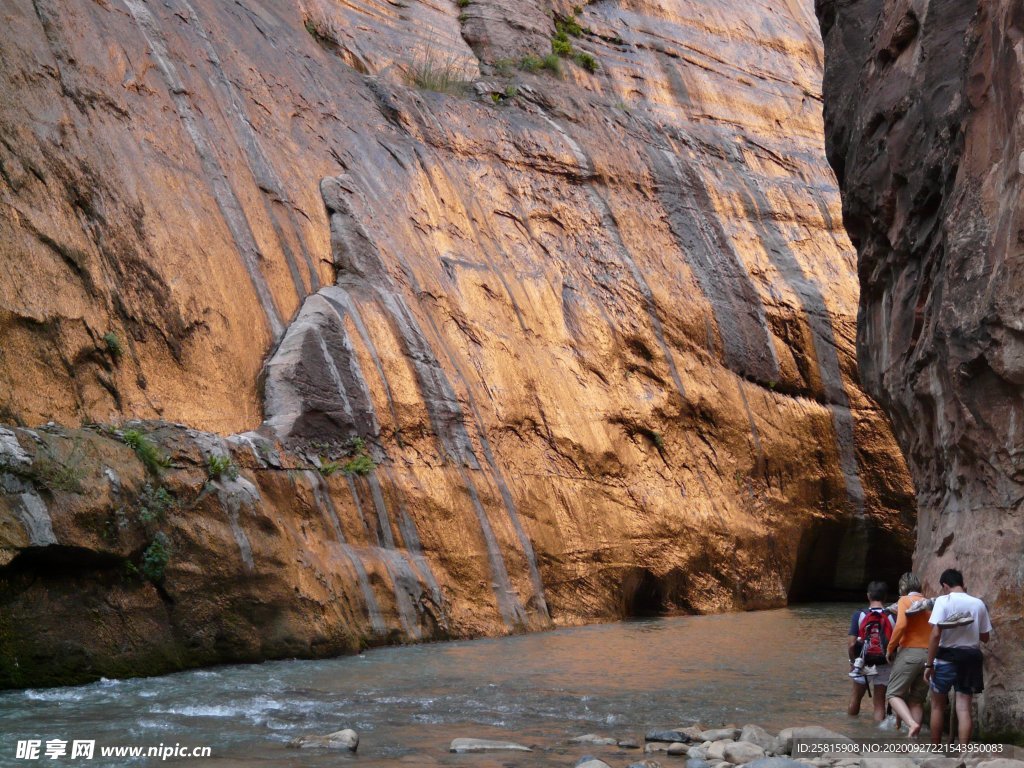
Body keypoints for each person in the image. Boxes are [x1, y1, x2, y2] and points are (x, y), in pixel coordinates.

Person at [924, 568, 992, 744]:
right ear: (962, 584)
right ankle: (963, 755)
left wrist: (928, 664)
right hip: (971, 658)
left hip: (946, 658)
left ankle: (936, 751)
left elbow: (935, 634)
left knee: (937, 706)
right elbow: (985, 637)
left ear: (945, 586)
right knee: (964, 709)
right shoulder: (978, 604)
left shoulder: (943, 601)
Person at [884, 572, 933, 737]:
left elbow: (901, 625)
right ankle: (914, 739)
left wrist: (890, 648)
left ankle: (911, 724)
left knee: (893, 693)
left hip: (911, 653)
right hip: (930, 656)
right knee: (917, 700)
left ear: (902, 588)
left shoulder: (905, 600)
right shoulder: (928, 603)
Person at [848, 581, 896, 721]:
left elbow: (851, 644)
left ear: (868, 596)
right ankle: (878, 736)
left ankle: (850, 731)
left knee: (856, 698)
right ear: (885, 597)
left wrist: (853, 662)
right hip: (884, 661)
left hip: (863, 661)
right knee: (880, 703)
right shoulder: (892, 616)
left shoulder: (859, 615)